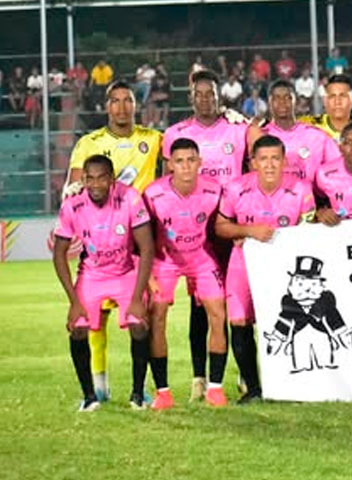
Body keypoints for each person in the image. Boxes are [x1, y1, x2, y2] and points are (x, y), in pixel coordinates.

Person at [65, 81, 162, 402]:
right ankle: (99, 384)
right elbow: (75, 187)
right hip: (101, 241)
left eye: (128, 100)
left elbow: (188, 143)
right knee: (96, 318)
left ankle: (144, 387)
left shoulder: (153, 138)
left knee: (146, 317)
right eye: (115, 101)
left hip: (141, 240)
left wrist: (227, 115)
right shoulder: (89, 143)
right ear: (107, 106)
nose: (122, 107)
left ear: (136, 105)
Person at [161, 70, 248, 401]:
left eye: (210, 93)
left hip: (232, 227)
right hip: (196, 231)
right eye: (198, 94)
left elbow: (260, 149)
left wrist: (248, 120)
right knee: (201, 307)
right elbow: (165, 182)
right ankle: (200, 377)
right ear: (190, 98)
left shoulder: (238, 129)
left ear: (219, 96)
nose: (204, 99)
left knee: (239, 303)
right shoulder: (176, 134)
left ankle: (245, 373)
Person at [215, 135, 317, 403]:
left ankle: (288, 386)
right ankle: (253, 388)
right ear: (253, 162)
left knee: (284, 323)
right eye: (263, 159)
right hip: (243, 264)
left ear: (284, 161)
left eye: (275, 158)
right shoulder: (236, 188)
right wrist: (248, 230)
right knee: (239, 321)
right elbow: (220, 227)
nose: (269, 165)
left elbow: (308, 231)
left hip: (285, 267)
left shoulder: (302, 190)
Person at [52, 154, 154, 411]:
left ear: (111, 180)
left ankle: (138, 394)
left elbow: (147, 247)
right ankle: (89, 397)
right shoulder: (73, 206)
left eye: (101, 178)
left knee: (139, 325)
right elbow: (59, 254)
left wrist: (137, 298)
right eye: (90, 178)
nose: (95, 184)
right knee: (77, 328)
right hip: (92, 275)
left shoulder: (130, 198)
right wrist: (73, 302)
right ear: (84, 180)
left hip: (125, 271)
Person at [143, 139, 228, 408]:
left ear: (200, 162)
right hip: (165, 260)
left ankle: (215, 389)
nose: (186, 166)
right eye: (179, 161)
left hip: (200, 258)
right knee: (157, 317)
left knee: (218, 313)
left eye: (191, 160)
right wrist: (147, 275)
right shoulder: (153, 194)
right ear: (170, 165)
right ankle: (163, 392)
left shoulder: (214, 190)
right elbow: (143, 236)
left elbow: (221, 226)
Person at [250, 79, 340, 186]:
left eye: (287, 98)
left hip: (310, 195)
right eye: (276, 98)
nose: (282, 102)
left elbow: (338, 168)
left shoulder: (316, 136)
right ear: (269, 103)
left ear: (296, 101)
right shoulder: (260, 135)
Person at [300, 74, 352, 141]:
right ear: (325, 101)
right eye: (332, 96)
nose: (337, 102)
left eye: (342, 96)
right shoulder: (310, 126)